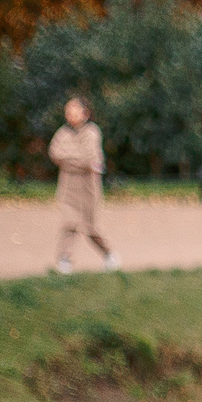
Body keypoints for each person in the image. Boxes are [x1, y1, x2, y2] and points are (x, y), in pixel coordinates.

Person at [49, 96, 119, 274]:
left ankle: (108, 254)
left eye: (74, 110)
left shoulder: (92, 132)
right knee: (69, 224)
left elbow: (89, 158)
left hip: (88, 188)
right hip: (68, 187)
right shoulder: (62, 133)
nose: (70, 114)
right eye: (67, 111)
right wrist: (77, 160)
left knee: (90, 227)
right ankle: (65, 260)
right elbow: (55, 154)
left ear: (85, 113)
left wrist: (70, 159)